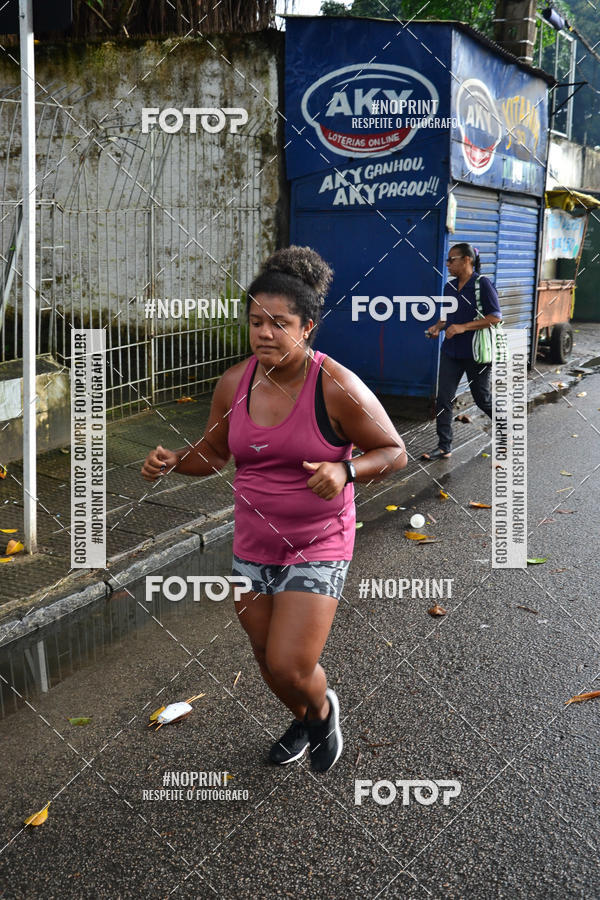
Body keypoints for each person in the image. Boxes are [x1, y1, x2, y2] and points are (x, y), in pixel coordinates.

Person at [141, 246, 407, 773]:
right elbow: (215, 455)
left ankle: (323, 709)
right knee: (266, 658)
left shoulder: (335, 386)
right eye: (255, 321)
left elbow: (394, 451)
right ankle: (305, 719)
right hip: (254, 543)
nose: (264, 333)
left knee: (291, 660)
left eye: (279, 323)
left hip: (318, 541)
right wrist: (174, 461)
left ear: (307, 327)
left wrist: (345, 471)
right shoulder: (234, 384)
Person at [421, 242, 502, 460]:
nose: (447, 264)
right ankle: (444, 446)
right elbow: (447, 316)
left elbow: (495, 317)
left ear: (467, 260)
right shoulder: (449, 287)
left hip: (476, 353)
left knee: (481, 398)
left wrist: (462, 327)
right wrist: (438, 327)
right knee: (443, 399)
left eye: (451, 260)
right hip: (451, 352)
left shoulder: (483, 285)